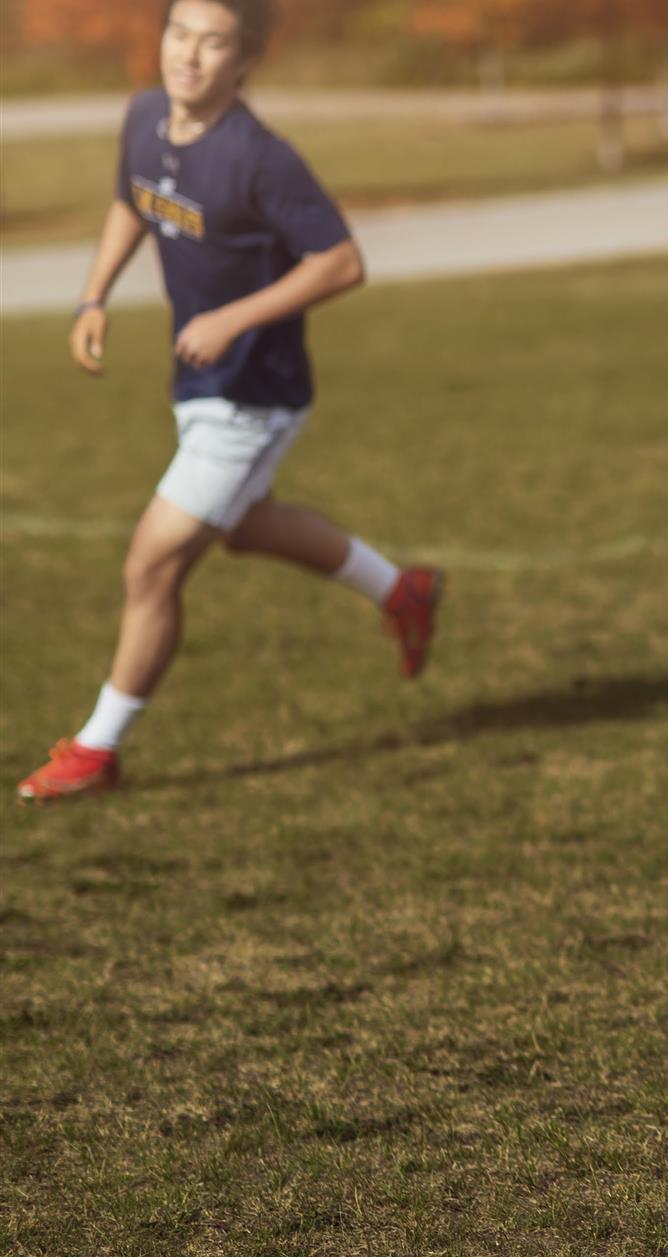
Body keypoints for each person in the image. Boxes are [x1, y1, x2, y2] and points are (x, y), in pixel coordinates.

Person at [17, 0, 442, 804]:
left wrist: (234, 318)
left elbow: (343, 261)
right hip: (200, 386)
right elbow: (129, 201)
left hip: (254, 395)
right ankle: (402, 591)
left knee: (151, 562)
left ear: (243, 62)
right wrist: (92, 297)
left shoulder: (260, 158)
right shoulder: (144, 115)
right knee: (248, 529)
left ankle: (96, 751)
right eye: (180, 34)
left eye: (214, 43)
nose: (190, 56)